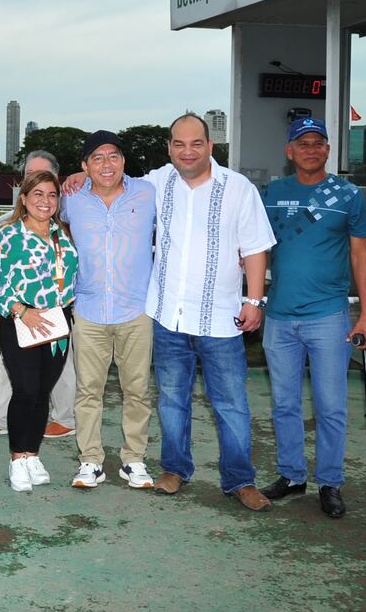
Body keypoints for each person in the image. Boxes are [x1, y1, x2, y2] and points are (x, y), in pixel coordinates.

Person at [145, 113, 277, 511]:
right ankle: (174, 469)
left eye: (196, 143)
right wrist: (79, 178)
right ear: (169, 147)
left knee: (232, 403)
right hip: (169, 316)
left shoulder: (238, 188)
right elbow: (110, 188)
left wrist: (253, 301)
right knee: (171, 399)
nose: (187, 151)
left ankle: (240, 480)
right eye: (179, 144)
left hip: (222, 318)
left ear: (210, 146)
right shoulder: (154, 182)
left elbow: (255, 247)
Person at [258, 118, 366, 519]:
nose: (311, 148)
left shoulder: (346, 194)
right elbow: (252, 247)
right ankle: (292, 475)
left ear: (328, 150)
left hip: (329, 316)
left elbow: (360, 255)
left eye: (318, 143)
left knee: (331, 406)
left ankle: (330, 482)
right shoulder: (271, 193)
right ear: (289, 151)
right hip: (278, 317)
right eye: (302, 143)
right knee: (284, 404)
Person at [59, 130, 157, 490]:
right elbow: (39, 205)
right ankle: (91, 461)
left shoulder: (147, 193)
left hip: (136, 310)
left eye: (113, 156)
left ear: (124, 161)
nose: (106, 164)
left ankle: (134, 459)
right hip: (88, 308)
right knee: (88, 392)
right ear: (84, 165)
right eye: (96, 158)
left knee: (138, 391)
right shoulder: (72, 199)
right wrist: (73, 178)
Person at [0, 150, 78, 441]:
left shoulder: (66, 223)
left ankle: (64, 418)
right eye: (30, 177)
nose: (37, 185)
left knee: (55, 374)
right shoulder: (10, 230)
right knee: (19, 373)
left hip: (59, 315)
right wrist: (12, 307)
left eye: (44, 180)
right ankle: (4, 423)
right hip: (20, 313)